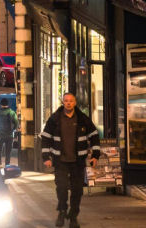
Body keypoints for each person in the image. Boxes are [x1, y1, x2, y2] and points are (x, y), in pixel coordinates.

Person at [41, 92, 101, 228]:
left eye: (71, 101)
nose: (68, 103)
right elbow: (45, 138)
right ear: (63, 102)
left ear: (75, 103)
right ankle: (62, 211)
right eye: (66, 101)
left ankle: (73, 216)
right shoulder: (55, 119)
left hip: (77, 162)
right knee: (61, 188)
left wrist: (95, 155)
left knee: (77, 190)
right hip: (60, 161)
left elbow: (94, 135)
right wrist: (46, 157)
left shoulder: (82, 119)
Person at [0, 100, 19, 167]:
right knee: (8, 152)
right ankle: (7, 164)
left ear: (1, 104)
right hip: (9, 135)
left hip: (0, 135)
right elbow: (16, 123)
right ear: (8, 104)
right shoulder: (12, 112)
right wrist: (13, 130)